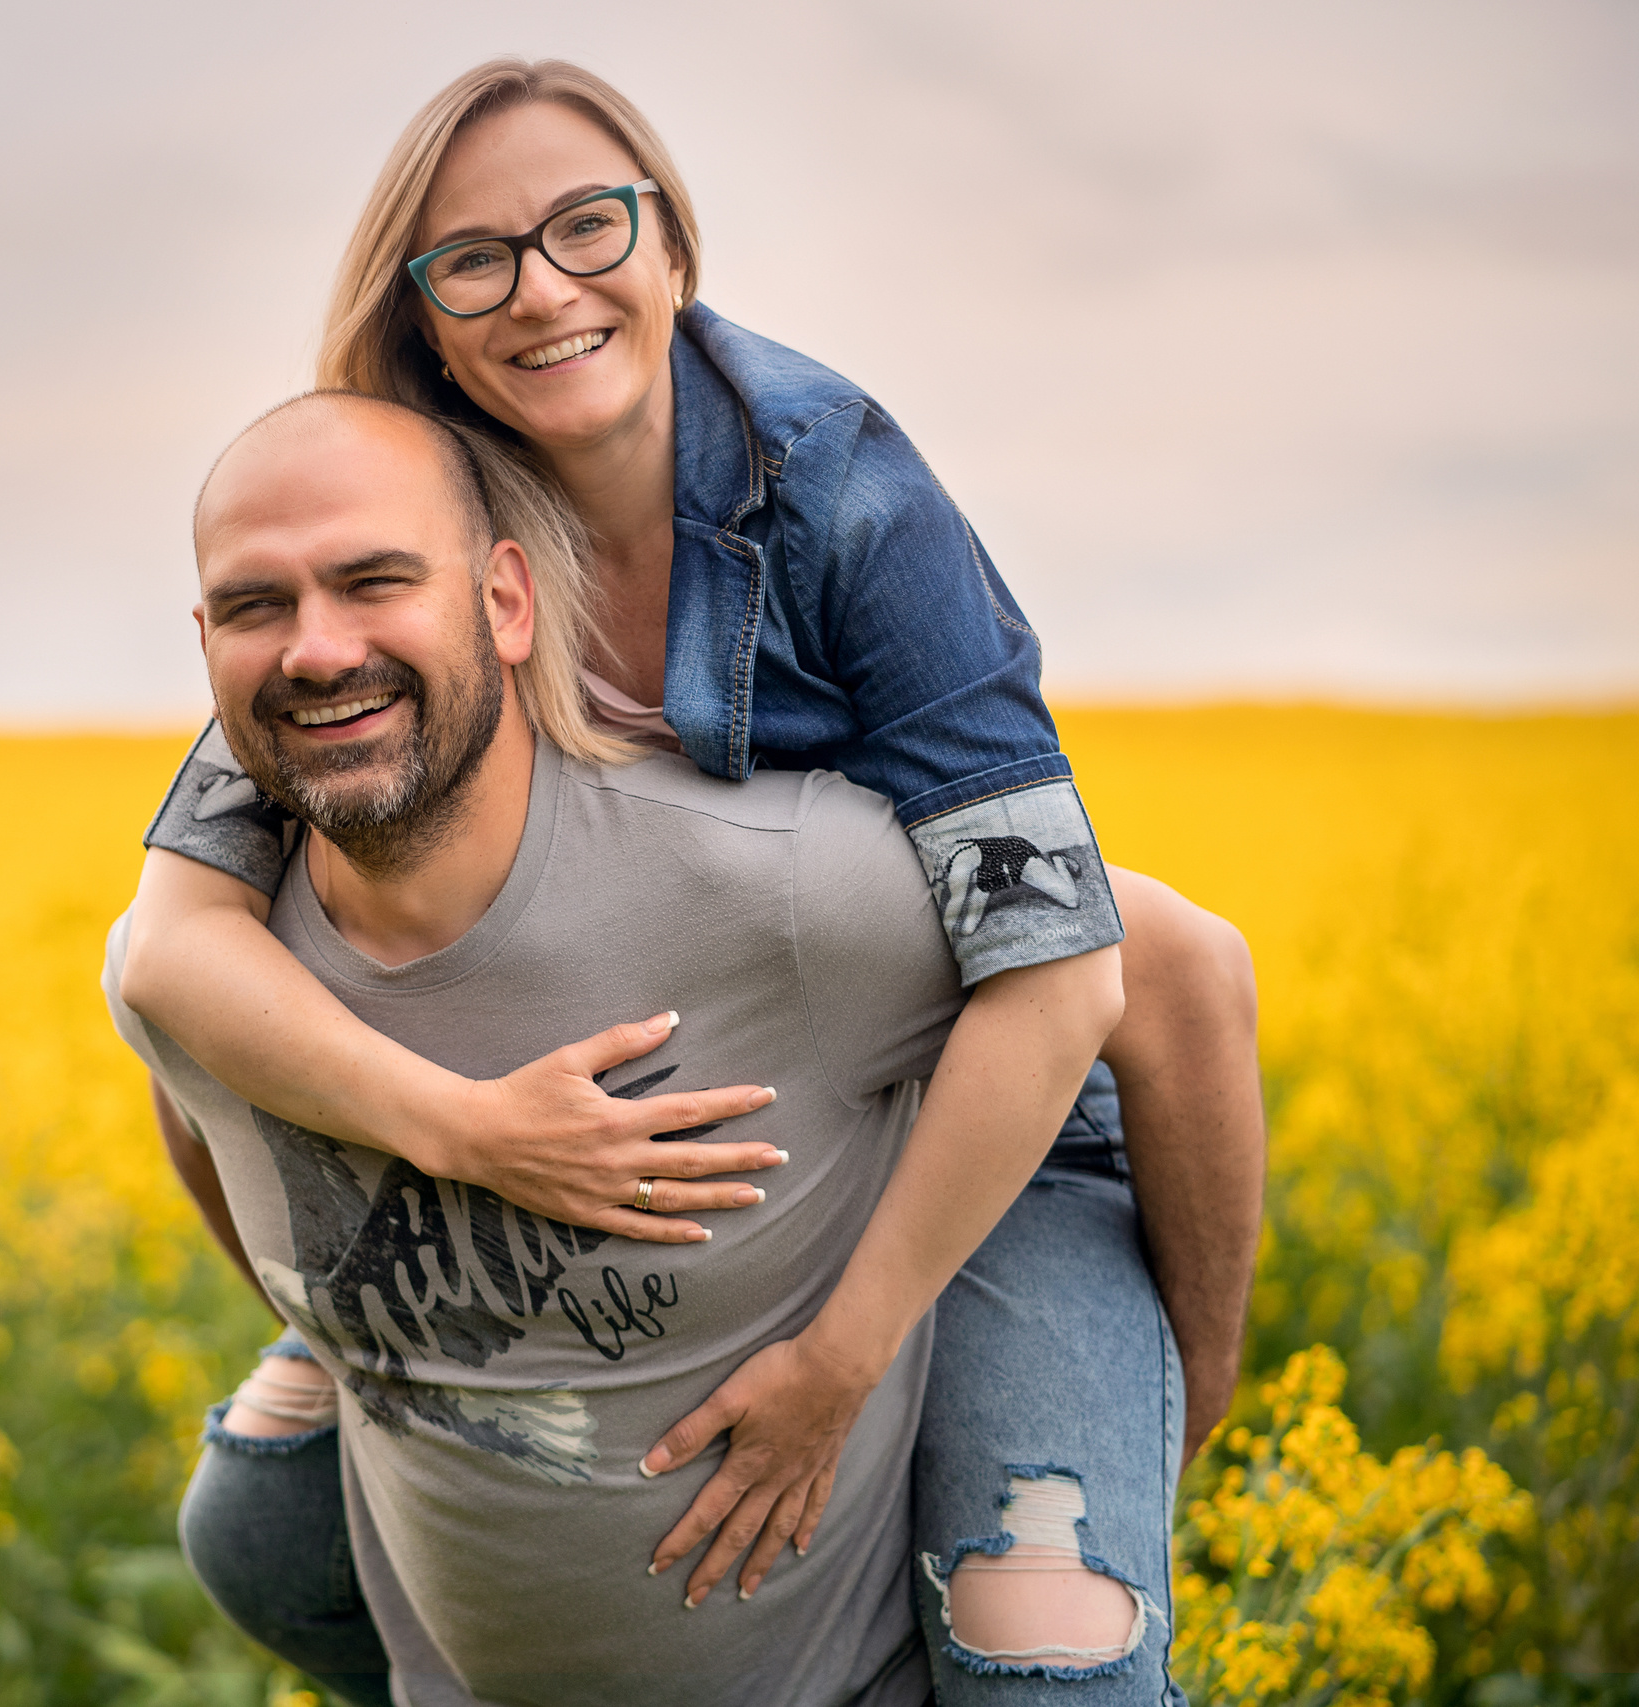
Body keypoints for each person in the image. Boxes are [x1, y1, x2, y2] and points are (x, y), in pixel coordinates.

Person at [124, 60, 1263, 1702]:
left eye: (591, 226)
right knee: (257, 1525)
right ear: (425, 318)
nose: (546, 289)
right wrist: (421, 1224)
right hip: (628, 1122)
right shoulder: (388, 552)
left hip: (978, 1110)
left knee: (1043, 1657)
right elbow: (176, 954)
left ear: (674, 243)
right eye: (475, 260)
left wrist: (890, 1365)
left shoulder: (843, 493)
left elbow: (1098, 968)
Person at [109, 388, 1120, 1705]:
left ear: (508, 602)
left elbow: (1155, 975)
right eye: (257, 606)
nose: (314, 649)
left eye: (377, 581)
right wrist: (366, 1330)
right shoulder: (207, 970)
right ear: (205, 643)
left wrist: (859, 1354)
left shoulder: (787, 887)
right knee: (244, 1526)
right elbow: (190, 1088)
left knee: (1055, 1658)